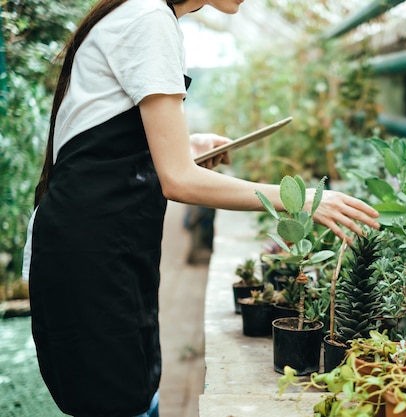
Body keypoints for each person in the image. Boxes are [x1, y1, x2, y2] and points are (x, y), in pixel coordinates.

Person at [22, 1, 380, 416]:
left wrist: (186, 145)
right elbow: (178, 180)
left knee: (133, 393)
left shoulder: (147, 14)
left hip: (101, 246)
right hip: (92, 255)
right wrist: (300, 198)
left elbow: (96, 136)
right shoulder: (149, 18)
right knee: (120, 400)